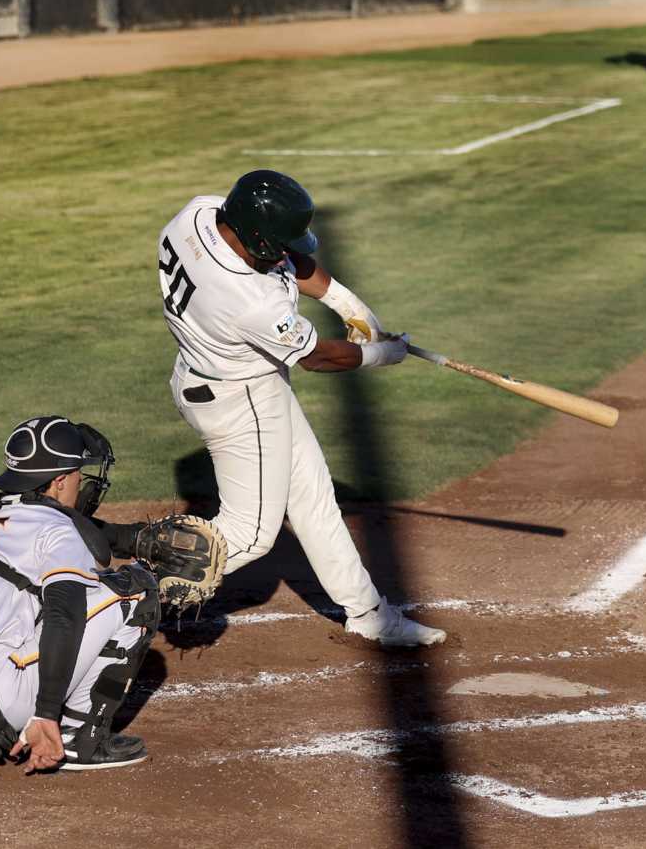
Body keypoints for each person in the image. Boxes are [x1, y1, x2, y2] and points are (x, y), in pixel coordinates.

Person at [153, 170, 445, 648]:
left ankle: (368, 614)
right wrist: (380, 355)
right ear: (255, 238)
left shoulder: (201, 212)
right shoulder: (248, 299)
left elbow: (287, 257)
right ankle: (119, 597)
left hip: (215, 373)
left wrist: (345, 302)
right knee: (249, 536)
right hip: (240, 399)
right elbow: (315, 357)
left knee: (312, 496)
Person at [0, 417, 224, 773]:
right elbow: (65, 614)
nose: (84, 481)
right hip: (1, 699)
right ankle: (80, 738)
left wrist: (134, 538)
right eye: (79, 473)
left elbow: (84, 531)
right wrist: (46, 712)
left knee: (26, 600)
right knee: (135, 589)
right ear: (60, 480)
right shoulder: (60, 532)